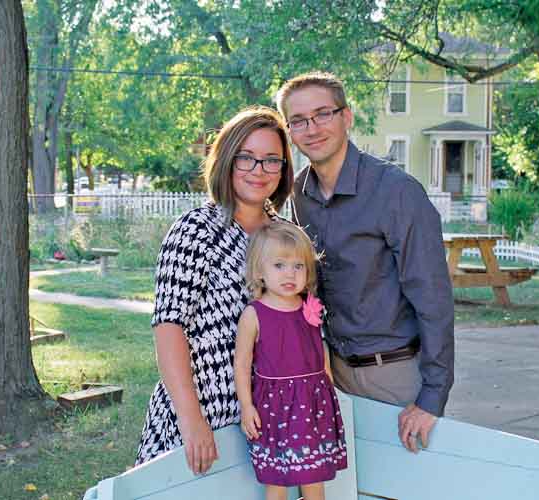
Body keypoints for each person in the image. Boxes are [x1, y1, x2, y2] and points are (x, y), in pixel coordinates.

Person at [275, 72, 454, 453]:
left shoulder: (396, 191)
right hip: (332, 373)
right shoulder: (298, 194)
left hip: (394, 374)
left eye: (323, 114)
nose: (312, 128)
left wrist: (432, 396)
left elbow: (433, 298)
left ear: (347, 117)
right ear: (290, 130)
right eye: (299, 120)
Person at [135, 106, 295, 474]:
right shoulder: (197, 230)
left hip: (267, 425)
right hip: (201, 422)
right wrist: (191, 420)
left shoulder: (286, 237)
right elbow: (169, 326)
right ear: (226, 160)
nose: (259, 171)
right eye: (247, 158)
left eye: (272, 160)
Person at [234, 222, 347, 500]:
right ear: (260, 271)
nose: (290, 274)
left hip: (312, 403)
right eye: (279, 265)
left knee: (313, 476)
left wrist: (328, 381)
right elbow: (242, 363)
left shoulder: (309, 306)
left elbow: (318, 346)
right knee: (278, 479)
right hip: (276, 408)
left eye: (298, 266)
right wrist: (246, 406)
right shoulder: (254, 314)